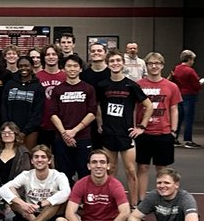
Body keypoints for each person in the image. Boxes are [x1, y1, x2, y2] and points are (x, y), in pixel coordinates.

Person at [95, 51, 153, 203]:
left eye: (118, 60)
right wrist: (100, 122)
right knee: (111, 170)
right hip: (109, 134)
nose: (115, 63)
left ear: (122, 63)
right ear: (108, 64)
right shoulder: (102, 85)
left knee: (131, 171)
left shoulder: (131, 85)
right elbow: (97, 106)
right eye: (112, 61)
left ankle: (133, 204)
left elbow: (148, 106)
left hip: (126, 134)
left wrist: (141, 126)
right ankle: (110, 203)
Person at [54, 149, 132, 221]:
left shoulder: (115, 185)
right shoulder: (81, 184)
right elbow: (69, 213)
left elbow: (125, 212)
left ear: (108, 166)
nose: (98, 166)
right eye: (94, 162)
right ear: (89, 166)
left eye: (102, 162)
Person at [0, 145, 71, 221]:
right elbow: (3, 189)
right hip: (30, 214)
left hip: (50, 216)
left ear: (49, 161)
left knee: (56, 201)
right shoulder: (26, 175)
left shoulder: (58, 176)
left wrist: (42, 203)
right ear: (32, 161)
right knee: (12, 194)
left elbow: (66, 192)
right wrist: (23, 204)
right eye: (36, 157)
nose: (39, 160)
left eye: (43, 157)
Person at [136, 52, 182, 203]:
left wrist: (174, 131)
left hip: (163, 132)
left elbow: (174, 109)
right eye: (150, 63)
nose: (154, 66)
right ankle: (142, 200)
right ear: (146, 66)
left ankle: (163, 198)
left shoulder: (171, 86)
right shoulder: (138, 85)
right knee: (142, 167)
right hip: (143, 132)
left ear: (162, 66)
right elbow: (134, 109)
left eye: (157, 63)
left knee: (162, 169)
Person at [46, 54, 96, 184]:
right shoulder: (58, 90)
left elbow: (92, 113)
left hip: (83, 137)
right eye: (69, 66)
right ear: (64, 69)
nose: (72, 69)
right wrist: (65, 134)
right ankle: (65, 202)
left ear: (80, 69)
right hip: (61, 138)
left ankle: (83, 202)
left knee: (84, 172)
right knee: (63, 174)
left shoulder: (88, 88)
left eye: (75, 66)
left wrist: (74, 131)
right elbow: (52, 113)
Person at [0, 55, 44, 148]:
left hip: (30, 131)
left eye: (26, 65)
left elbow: (37, 113)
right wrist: (9, 128)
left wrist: (24, 132)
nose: (23, 68)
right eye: (20, 66)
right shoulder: (10, 84)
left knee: (27, 156)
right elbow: (4, 107)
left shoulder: (38, 87)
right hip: (10, 129)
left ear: (31, 66)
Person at [172, 50, 204, 148]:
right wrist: (200, 83)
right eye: (192, 59)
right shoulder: (190, 71)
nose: (193, 62)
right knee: (189, 118)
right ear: (189, 59)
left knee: (179, 117)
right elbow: (196, 85)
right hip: (189, 95)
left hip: (179, 95)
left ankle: (174, 138)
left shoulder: (177, 68)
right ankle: (188, 140)